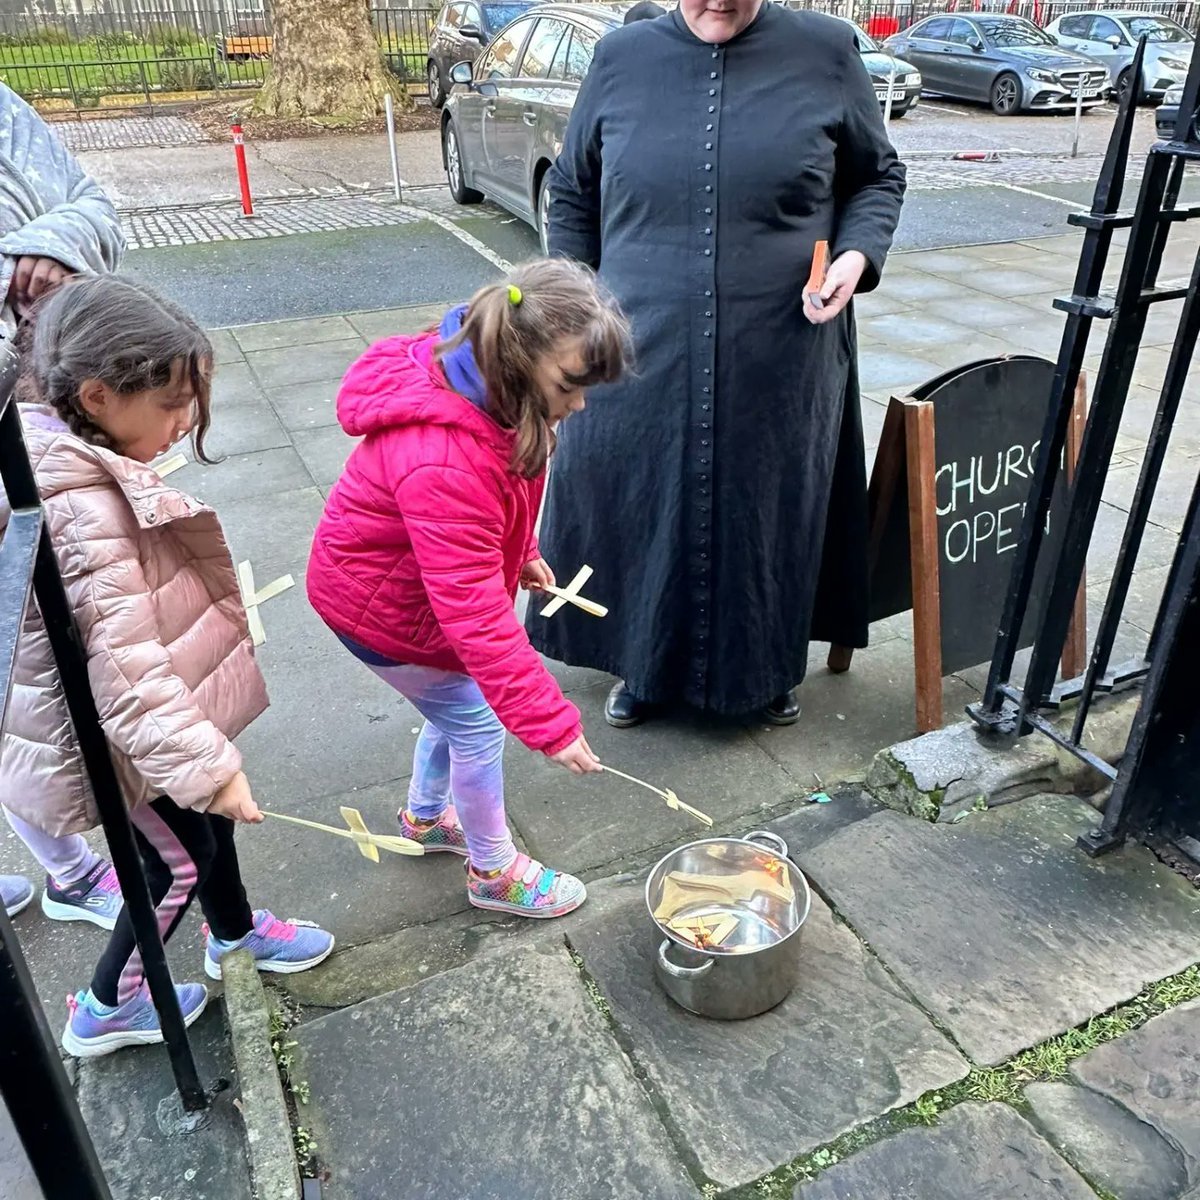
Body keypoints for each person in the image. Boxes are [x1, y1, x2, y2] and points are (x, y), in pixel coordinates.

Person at [531, 0, 906, 730]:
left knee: (763, 510)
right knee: (643, 506)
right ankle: (642, 662)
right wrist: (571, 309)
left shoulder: (827, 50)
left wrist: (857, 256)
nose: (719, 4)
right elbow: (573, 190)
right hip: (638, 348)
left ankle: (765, 667)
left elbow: (878, 177)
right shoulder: (620, 58)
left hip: (782, 350)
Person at [1, 275, 333, 1058]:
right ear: (98, 394)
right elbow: (123, 659)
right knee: (180, 861)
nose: (184, 425)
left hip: (138, 717)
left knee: (207, 830)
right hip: (110, 731)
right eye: (171, 406)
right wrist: (208, 767)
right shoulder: (76, 500)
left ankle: (237, 936)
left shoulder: (69, 447)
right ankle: (105, 1006)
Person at [308, 259, 631, 919]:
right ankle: (494, 870)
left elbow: (495, 513)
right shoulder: (444, 454)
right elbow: (477, 615)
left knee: (454, 709)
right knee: (478, 719)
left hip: (399, 592)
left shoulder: (498, 400)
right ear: (517, 360)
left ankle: (427, 819)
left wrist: (524, 554)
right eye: (572, 384)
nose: (580, 404)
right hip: (379, 610)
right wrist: (548, 721)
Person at [0, 79, 127, 925]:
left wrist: (52, 241)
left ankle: (69, 862)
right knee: (21, 682)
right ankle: (73, 868)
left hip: (30, 421)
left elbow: (92, 203)